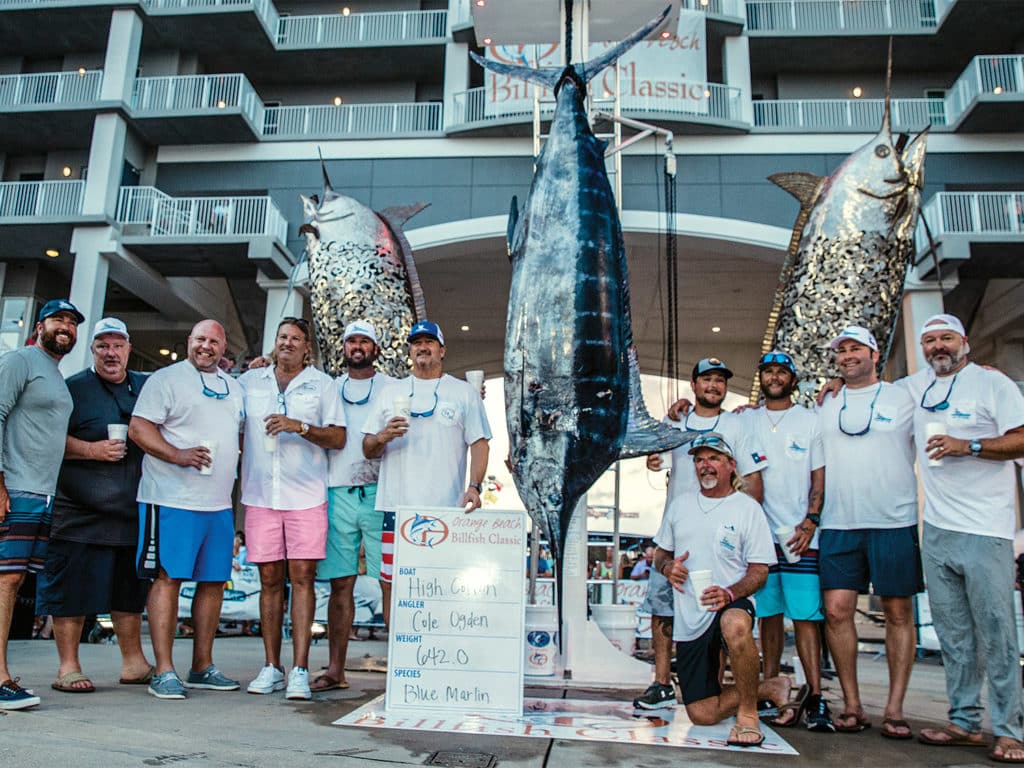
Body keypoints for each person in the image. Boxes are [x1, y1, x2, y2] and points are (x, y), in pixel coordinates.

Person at [903, 314, 1024, 763]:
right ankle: (966, 722)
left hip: (986, 528)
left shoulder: (994, 385)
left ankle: (1011, 730)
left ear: (964, 342)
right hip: (936, 528)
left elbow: (1021, 438)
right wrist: (833, 388)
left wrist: (968, 445)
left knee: (997, 632)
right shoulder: (920, 387)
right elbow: (868, 388)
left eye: (947, 338)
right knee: (954, 634)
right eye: (930, 340)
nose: (939, 346)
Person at [635, 357, 766, 711]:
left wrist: (743, 519)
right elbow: (654, 460)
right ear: (693, 385)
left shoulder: (738, 424)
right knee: (663, 606)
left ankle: (726, 686)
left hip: (722, 536)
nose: (714, 386)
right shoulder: (675, 420)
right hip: (677, 531)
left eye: (720, 380)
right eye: (706, 379)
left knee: (720, 609)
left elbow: (753, 479)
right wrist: (654, 456)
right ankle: (662, 684)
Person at [36, 318, 154, 694]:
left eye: (118, 345)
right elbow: (46, 439)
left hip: (130, 513)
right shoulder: (71, 389)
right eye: (103, 345)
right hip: (78, 514)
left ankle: (134, 662)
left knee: (128, 590)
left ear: (129, 349)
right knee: (71, 590)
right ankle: (68, 666)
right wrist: (92, 450)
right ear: (93, 351)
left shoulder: (146, 386)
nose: (111, 352)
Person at [129, 319, 245, 700]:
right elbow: (139, 429)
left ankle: (202, 666)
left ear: (223, 346)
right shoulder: (166, 379)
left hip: (217, 504)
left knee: (213, 582)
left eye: (213, 341)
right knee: (168, 578)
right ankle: (163, 670)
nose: (206, 347)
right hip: (170, 499)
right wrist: (178, 455)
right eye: (200, 339)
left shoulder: (233, 387)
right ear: (189, 341)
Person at [816, 324, 920, 738]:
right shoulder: (826, 402)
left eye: (855, 348)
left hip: (893, 519)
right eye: (840, 351)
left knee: (898, 612)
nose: (847, 355)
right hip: (839, 521)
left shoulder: (905, 397)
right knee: (837, 611)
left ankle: (894, 708)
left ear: (875, 354)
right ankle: (852, 704)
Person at [652, 433, 788, 747]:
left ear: (731, 466)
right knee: (702, 713)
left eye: (714, 458)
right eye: (699, 459)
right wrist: (667, 567)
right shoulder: (680, 506)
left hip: (731, 601)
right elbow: (661, 553)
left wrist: (730, 593)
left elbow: (760, 571)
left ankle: (748, 715)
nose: (706, 465)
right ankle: (769, 688)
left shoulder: (747, 509)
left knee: (735, 624)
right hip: (691, 613)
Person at [238, 317, 345, 700]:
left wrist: (299, 426)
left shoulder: (323, 384)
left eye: (295, 339)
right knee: (268, 580)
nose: (287, 343)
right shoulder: (250, 382)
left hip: (306, 495)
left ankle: (300, 669)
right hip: (261, 493)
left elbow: (338, 435)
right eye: (282, 336)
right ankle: (271, 667)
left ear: (306, 348)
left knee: (302, 577)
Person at [362, 320, 491, 625]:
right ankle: (398, 649)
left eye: (429, 342)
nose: (423, 347)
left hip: (445, 508)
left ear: (442, 350)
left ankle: (437, 649)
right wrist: (382, 437)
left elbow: (480, 443)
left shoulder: (463, 392)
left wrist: (474, 486)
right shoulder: (391, 392)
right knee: (392, 580)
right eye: (416, 342)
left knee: (441, 579)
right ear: (410, 350)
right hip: (397, 505)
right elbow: (367, 447)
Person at [743, 350, 832, 731]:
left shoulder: (811, 421)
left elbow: (819, 477)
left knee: (807, 616)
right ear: (760, 378)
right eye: (768, 372)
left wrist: (811, 521)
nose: (775, 377)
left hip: (799, 535)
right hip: (762, 535)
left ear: (793, 380)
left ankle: (815, 696)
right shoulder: (747, 420)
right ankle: (771, 689)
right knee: (769, 615)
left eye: (782, 372)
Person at [0, 298, 80, 710]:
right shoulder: (20, 361)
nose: (65, 326)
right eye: (58, 319)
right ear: (39, 325)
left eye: (72, 321)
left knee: (14, 581)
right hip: (16, 487)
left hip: (41, 493)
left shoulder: (53, 373)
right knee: (5, 580)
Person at [313, 321, 396, 692]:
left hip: (383, 491)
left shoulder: (394, 387)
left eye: (365, 341)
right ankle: (335, 670)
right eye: (352, 342)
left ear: (376, 348)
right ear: (343, 348)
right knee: (340, 583)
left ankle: (403, 670)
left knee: (391, 582)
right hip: (337, 491)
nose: (358, 347)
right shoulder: (329, 387)